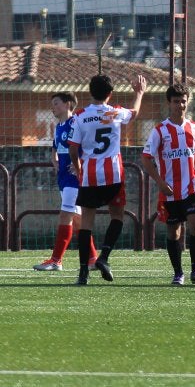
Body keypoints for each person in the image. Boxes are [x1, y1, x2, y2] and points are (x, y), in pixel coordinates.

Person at [68, 74, 147, 285]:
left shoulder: (80, 116)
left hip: (90, 176)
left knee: (86, 224)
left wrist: (78, 169)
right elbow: (135, 112)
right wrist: (138, 92)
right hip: (113, 175)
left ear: (89, 91)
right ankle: (103, 257)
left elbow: (73, 149)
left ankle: (84, 272)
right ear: (110, 94)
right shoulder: (115, 112)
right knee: (118, 217)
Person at [142, 84, 195, 286]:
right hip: (169, 190)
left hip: (192, 186)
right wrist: (160, 183)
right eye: (176, 101)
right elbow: (146, 159)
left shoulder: (194, 128)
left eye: (183, 101)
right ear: (169, 103)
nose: (180, 105)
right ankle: (178, 273)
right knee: (174, 231)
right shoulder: (160, 131)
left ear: (188, 102)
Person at [33, 92, 99, 271]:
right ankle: (93, 259)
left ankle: (56, 260)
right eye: (52, 103)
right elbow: (55, 148)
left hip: (73, 179)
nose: (52, 107)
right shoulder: (59, 126)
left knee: (65, 216)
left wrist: (80, 164)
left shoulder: (75, 123)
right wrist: (54, 160)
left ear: (68, 104)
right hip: (63, 178)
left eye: (56, 103)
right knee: (77, 220)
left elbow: (90, 146)